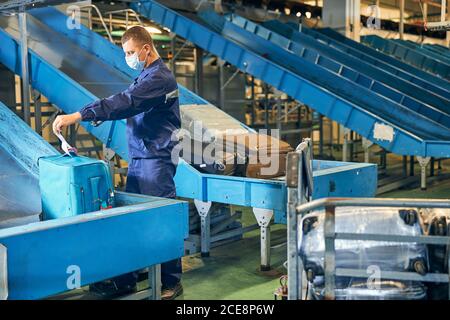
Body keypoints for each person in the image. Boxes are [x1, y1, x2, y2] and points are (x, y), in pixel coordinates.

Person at [52, 26, 183, 300]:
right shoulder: (145, 75)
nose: (128, 58)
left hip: (156, 158)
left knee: (161, 219)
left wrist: (80, 115)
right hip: (141, 156)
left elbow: (126, 101)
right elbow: (129, 106)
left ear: (146, 49)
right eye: (125, 53)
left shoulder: (158, 78)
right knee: (133, 220)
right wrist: (98, 117)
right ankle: (128, 279)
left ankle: (171, 280)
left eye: (131, 52)